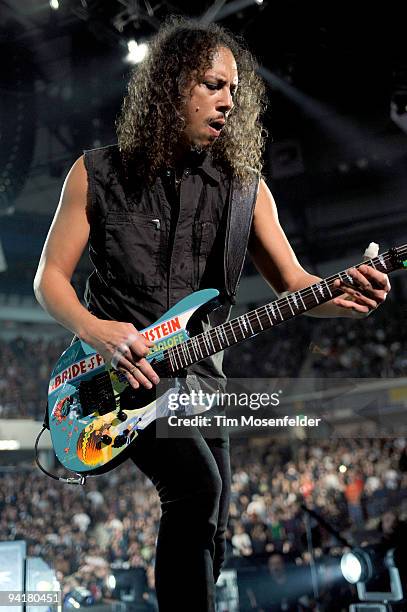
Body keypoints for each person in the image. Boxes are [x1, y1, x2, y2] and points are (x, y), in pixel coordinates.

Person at [34, 17, 391, 612]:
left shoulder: (245, 189)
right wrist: (95, 331)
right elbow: (49, 279)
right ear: (172, 87)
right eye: (213, 85)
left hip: (204, 383)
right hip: (121, 377)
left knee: (213, 526)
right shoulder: (95, 173)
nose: (230, 99)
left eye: (234, 88)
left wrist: (346, 295)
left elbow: (297, 284)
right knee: (197, 488)